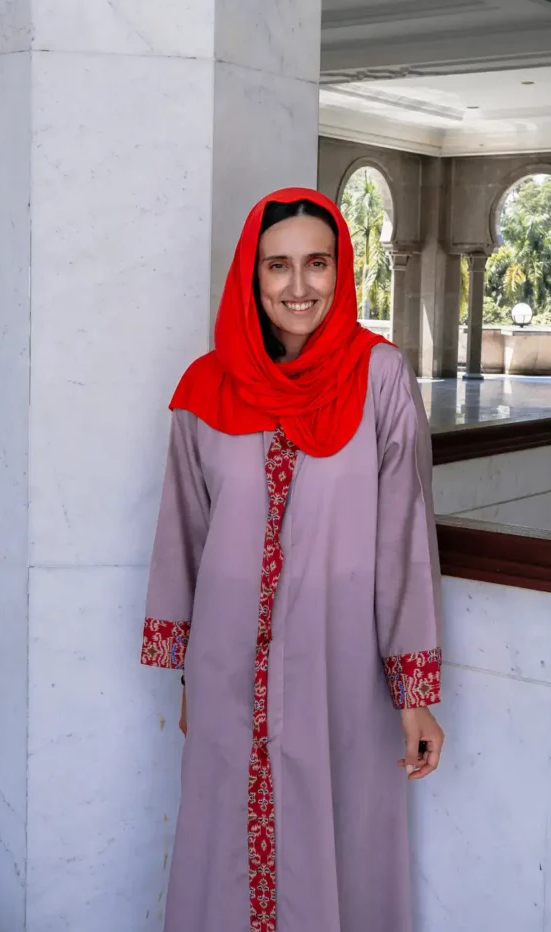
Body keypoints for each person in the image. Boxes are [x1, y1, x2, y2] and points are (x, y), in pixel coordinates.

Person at [141, 187, 444, 932]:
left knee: (343, 835)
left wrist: (414, 690)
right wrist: (186, 673)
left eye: (317, 263)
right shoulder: (204, 390)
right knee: (223, 841)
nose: (299, 287)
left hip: (341, 669)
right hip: (225, 672)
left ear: (343, 272)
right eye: (278, 266)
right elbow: (184, 533)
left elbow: (405, 537)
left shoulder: (381, 380)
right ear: (252, 273)